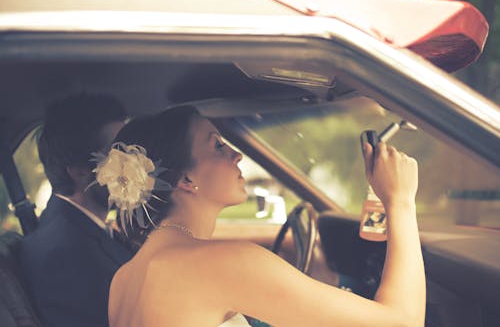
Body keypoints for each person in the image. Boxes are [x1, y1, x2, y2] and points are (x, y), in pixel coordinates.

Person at [102, 106, 425, 327]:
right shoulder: (221, 264)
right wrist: (400, 201)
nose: (236, 154)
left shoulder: (125, 278)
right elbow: (402, 322)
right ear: (185, 181)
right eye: (217, 146)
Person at [18, 93, 135, 327]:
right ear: (81, 171)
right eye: (119, 156)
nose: (134, 166)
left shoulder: (82, 231)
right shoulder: (62, 255)